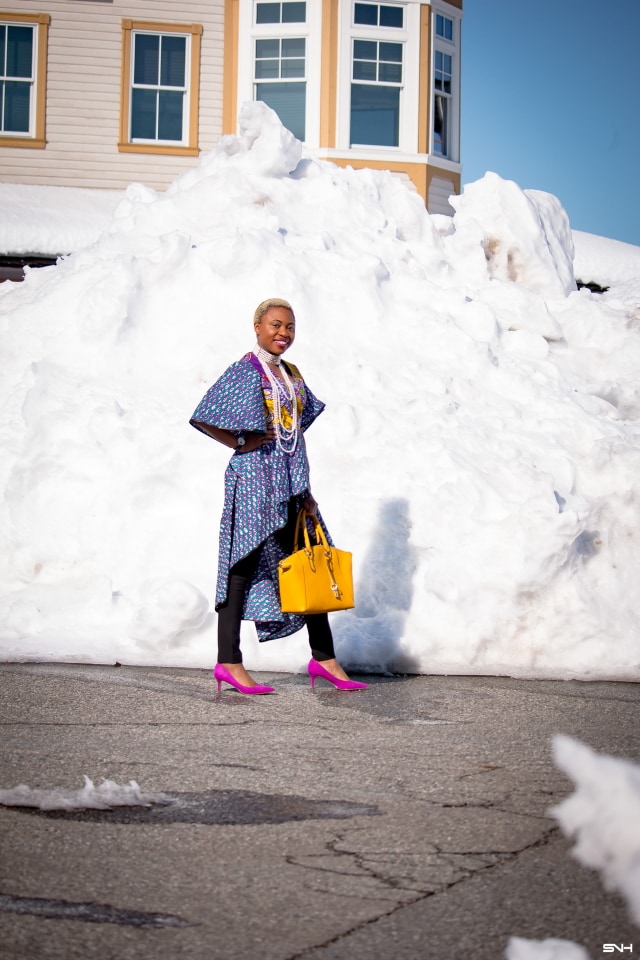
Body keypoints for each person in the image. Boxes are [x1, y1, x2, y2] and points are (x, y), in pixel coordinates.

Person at [190, 298, 367, 695]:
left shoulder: (291, 374)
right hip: (253, 482)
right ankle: (229, 662)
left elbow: (295, 433)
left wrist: (305, 490)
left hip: (287, 484)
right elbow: (203, 414)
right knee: (240, 570)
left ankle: (325, 659)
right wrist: (241, 440)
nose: (282, 333)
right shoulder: (245, 370)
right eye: (275, 325)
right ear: (257, 326)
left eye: (289, 327)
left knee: (309, 561)